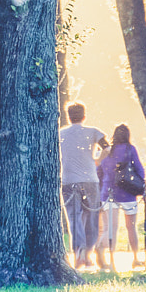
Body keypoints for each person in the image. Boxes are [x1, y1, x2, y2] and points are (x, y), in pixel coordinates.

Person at [59, 103, 107, 268]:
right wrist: (97, 160)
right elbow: (107, 147)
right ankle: (87, 254)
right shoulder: (93, 132)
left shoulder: (61, 134)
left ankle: (78, 251)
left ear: (68, 116)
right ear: (84, 116)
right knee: (92, 216)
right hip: (90, 180)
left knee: (74, 217)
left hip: (68, 180)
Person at [97, 124, 145, 271]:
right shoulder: (131, 150)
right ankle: (136, 258)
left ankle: (109, 260)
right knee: (131, 227)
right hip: (128, 193)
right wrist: (140, 186)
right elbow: (140, 169)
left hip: (108, 192)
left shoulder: (106, 151)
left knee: (110, 228)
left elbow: (99, 170)